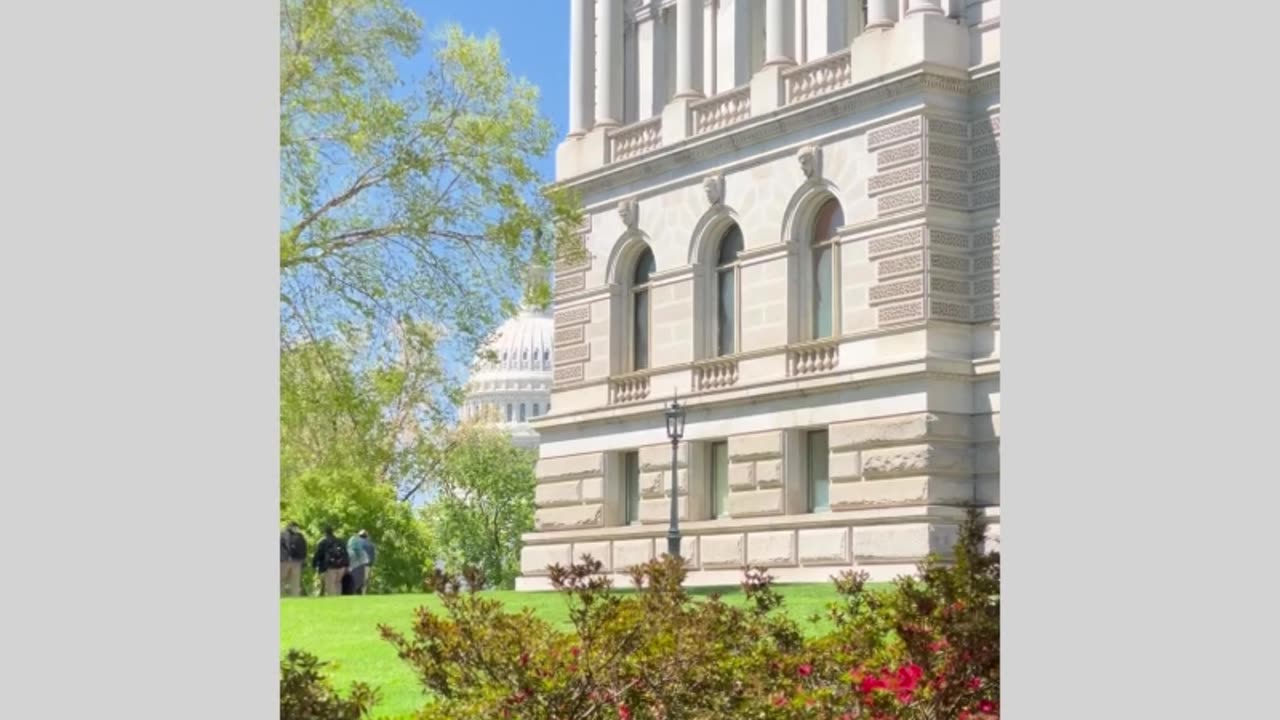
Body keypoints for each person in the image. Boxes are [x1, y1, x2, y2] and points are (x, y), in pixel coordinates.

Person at [312, 526, 349, 597]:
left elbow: (318, 554)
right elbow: (345, 553)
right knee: (338, 583)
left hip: (329, 567)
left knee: (330, 585)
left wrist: (314, 564)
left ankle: (332, 600)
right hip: (341, 566)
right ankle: (338, 599)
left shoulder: (323, 542)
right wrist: (347, 565)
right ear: (333, 532)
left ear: (325, 532)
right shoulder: (340, 541)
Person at [279, 522, 307, 597]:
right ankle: (294, 597)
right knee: (295, 581)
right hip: (297, 562)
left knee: (281, 580)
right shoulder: (300, 536)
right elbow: (304, 549)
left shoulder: (282, 535)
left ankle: (280, 596)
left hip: (284, 561)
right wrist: (303, 560)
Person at [347, 529, 376, 594]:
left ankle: (355, 593)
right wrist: (371, 565)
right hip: (367, 565)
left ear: (359, 536)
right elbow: (372, 557)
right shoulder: (370, 544)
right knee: (365, 581)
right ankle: (363, 594)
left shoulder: (355, 543)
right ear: (366, 536)